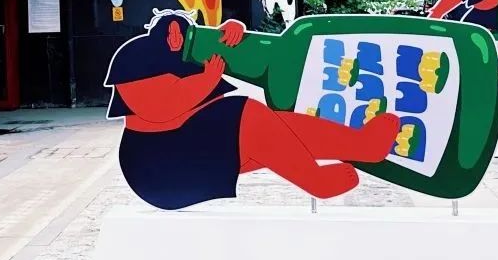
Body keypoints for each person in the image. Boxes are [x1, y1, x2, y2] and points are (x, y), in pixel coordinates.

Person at [105, 11, 401, 210]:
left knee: (276, 128)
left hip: (193, 145)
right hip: (159, 162)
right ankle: (316, 181)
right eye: (171, 32)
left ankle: (361, 145)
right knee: (244, 114)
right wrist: (207, 80)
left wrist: (234, 33)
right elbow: (159, 108)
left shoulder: (190, 52)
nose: (176, 37)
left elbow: (239, 58)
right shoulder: (135, 58)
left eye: (180, 31)